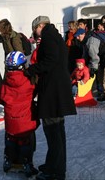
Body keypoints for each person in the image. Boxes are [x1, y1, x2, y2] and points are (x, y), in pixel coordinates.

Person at [25, 16, 76, 180]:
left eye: (35, 29)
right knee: (57, 131)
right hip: (57, 89)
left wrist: (31, 70)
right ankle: (53, 164)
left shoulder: (48, 37)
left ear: (40, 26)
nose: (35, 33)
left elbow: (50, 60)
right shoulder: (54, 36)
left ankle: (56, 172)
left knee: (53, 131)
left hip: (53, 92)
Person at [0, 51, 39, 177]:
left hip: (11, 119)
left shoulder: (5, 83)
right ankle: (27, 162)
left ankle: (9, 159)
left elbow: (1, 98)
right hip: (26, 119)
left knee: (11, 139)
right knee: (26, 140)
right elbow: (35, 92)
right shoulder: (28, 82)